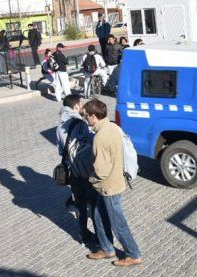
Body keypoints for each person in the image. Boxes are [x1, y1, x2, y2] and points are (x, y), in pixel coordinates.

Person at [84, 99, 142, 267]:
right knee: (98, 215)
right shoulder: (113, 127)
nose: (86, 119)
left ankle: (133, 254)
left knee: (118, 223)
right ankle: (107, 248)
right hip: (114, 182)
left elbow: (101, 170)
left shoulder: (100, 137)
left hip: (109, 186)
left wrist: (91, 179)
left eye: (87, 116)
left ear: (94, 116)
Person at [57, 95, 97, 246]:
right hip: (85, 170)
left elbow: (61, 150)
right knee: (93, 204)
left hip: (72, 171)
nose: (82, 107)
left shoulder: (60, 127)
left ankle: (83, 235)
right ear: (76, 107)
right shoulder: (81, 124)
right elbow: (89, 144)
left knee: (80, 204)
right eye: (80, 104)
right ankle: (100, 236)